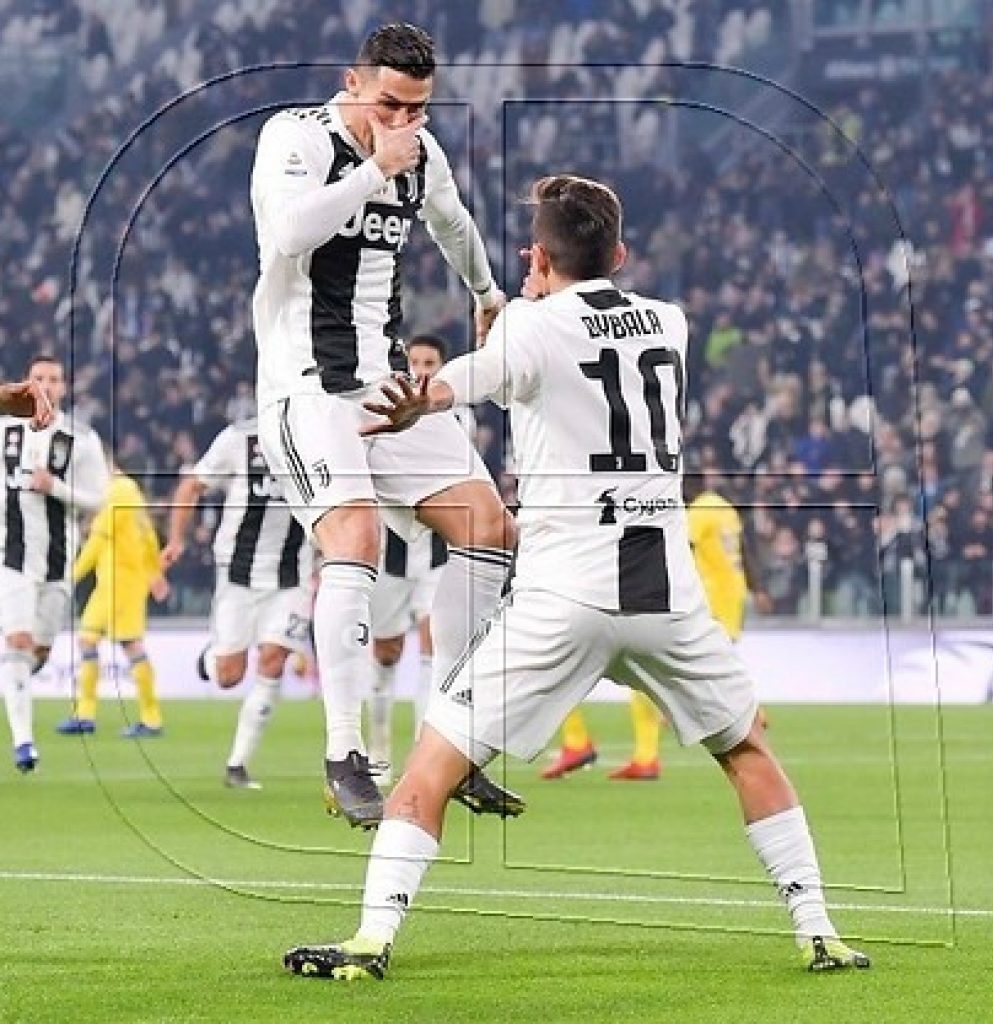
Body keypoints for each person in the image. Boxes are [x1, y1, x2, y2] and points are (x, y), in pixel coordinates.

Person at [282, 174, 870, 979]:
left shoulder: (530, 326)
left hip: (563, 594)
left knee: (428, 770)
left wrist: (426, 397)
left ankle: (370, 941)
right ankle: (819, 931)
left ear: (536, 258)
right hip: (666, 596)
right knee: (748, 750)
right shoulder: (671, 322)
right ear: (619, 255)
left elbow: (471, 376)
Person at [250, 22, 519, 828]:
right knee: (356, 538)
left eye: (418, 108)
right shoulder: (296, 137)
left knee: (488, 526)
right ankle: (345, 755)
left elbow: (453, 221)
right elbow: (288, 234)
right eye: (390, 104)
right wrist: (374, 170)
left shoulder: (420, 153)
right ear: (354, 82)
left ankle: (451, 736)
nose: (404, 121)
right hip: (305, 386)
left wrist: (486, 292)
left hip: (383, 385)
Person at [543, 471, 769, 781]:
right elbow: (743, 550)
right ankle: (650, 745)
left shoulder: (699, 512)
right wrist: (757, 588)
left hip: (708, 599)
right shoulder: (721, 506)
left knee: (627, 670)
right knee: (689, 669)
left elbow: (676, 552)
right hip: (731, 597)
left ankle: (634, 749)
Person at [160, 417, 314, 789]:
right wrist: (176, 539)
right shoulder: (238, 438)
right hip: (238, 572)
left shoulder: (317, 434)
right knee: (229, 676)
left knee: (273, 659)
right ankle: (210, 657)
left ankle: (238, 764)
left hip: (293, 575)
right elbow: (191, 485)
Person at [367, 334, 471, 784]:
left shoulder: (458, 417)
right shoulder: (379, 407)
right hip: (389, 554)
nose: (423, 370)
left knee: (435, 644)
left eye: (431, 363)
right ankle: (378, 747)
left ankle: (420, 755)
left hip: (436, 553)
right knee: (386, 651)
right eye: (416, 362)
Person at [1, 356, 106, 772]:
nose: (45, 385)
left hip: (58, 561)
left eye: (53, 379)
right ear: (27, 382)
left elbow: (99, 499)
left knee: (38, 651)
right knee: (19, 641)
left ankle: (13, 682)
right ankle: (24, 744)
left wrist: (56, 487)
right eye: (38, 378)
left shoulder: (81, 438)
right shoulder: (5, 429)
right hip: (10, 556)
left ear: (64, 387)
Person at [56, 453, 168, 738]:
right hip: (119, 581)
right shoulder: (132, 493)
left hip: (120, 581)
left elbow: (99, 538)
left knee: (126, 643)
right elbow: (149, 537)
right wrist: (154, 573)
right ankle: (87, 715)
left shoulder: (118, 490)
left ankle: (149, 719)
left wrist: (71, 576)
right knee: (91, 639)